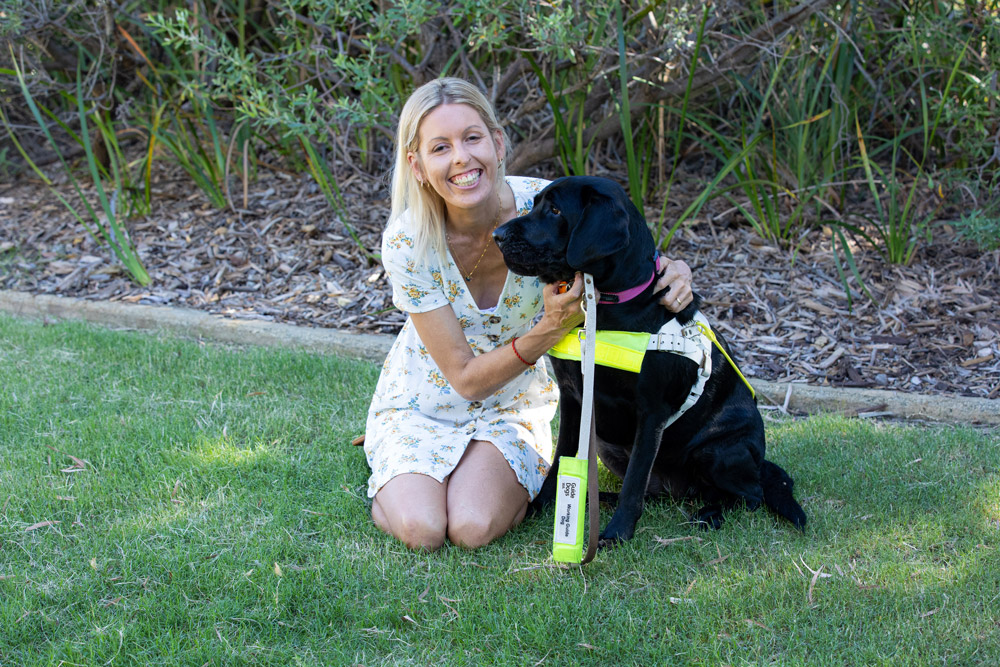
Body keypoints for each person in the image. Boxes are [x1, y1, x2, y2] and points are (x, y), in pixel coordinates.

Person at [364, 77, 694, 552]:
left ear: (498, 143)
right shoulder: (407, 241)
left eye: (472, 138)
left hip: (512, 408)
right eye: (440, 147)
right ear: (416, 166)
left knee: (471, 528)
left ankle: (476, 474)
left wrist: (673, 268)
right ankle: (392, 466)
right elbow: (465, 378)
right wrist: (550, 328)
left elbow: (626, 248)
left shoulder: (549, 206)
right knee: (423, 530)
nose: (461, 157)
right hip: (424, 403)